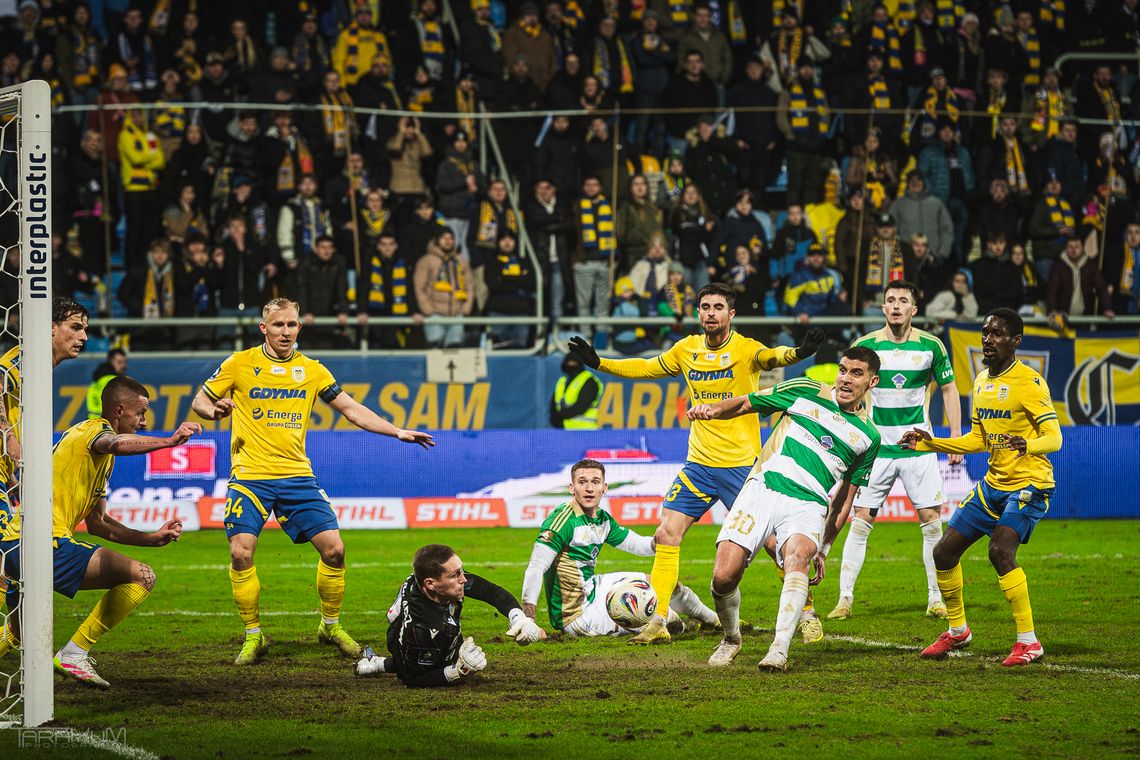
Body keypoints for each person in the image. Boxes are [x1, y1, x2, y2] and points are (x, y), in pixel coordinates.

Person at [567, 283, 825, 644]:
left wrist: (799, 352)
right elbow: (645, 368)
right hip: (699, 465)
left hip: (742, 468)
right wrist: (599, 363)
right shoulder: (686, 349)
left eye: (718, 307)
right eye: (705, 307)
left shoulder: (746, 349)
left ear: (731, 314)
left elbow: (773, 357)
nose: (710, 313)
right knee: (666, 533)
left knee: (773, 544)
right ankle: (656, 622)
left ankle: (807, 613)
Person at [190, 298, 435, 666]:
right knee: (241, 552)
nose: (285, 332)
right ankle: (254, 635)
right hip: (251, 477)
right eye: (278, 325)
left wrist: (396, 431)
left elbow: (351, 409)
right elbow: (200, 402)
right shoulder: (238, 363)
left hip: (297, 476)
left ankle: (330, 626)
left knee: (335, 550)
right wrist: (215, 410)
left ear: (299, 327)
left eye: (291, 325)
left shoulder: (313, 371)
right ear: (264, 328)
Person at [690, 347, 883, 671]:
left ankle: (779, 648)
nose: (846, 379)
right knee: (723, 577)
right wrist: (713, 410)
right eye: (843, 369)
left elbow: (845, 498)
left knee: (799, 559)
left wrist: (823, 547)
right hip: (762, 489)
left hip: (808, 503)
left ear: (872, 381)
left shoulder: (868, 437)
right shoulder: (805, 390)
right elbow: (747, 402)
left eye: (856, 373)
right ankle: (731, 638)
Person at [0, 376, 201, 684]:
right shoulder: (94, 431)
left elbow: (99, 524)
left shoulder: (99, 459)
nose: (144, 422)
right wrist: (170, 442)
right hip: (41, 542)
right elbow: (116, 443)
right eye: (141, 413)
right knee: (142, 576)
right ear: (119, 411)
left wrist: (152, 538)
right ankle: (74, 653)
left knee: (15, 632)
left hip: (15, 543)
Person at [901, 309, 1061, 667]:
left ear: (1016, 341)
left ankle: (1028, 641)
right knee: (943, 554)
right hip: (993, 485)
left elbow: (1054, 437)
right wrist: (931, 444)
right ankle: (958, 631)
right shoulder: (980, 381)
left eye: (998, 333)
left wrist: (1027, 445)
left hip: (1030, 484)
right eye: (985, 332)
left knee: (1000, 550)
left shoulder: (1030, 383)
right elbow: (978, 439)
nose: (988, 339)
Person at [827, 280, 963, 622]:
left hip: (918, 448)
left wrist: (956, 436)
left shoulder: (931, 346)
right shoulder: (866, 345)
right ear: (883, 308)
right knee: (861, 521)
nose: (897, 305)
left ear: (914, 310)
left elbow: (949, 389)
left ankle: (936, 598)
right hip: (876, 450)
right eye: (891, 300)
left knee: (932, 522)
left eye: (904, 300)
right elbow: (845, 392)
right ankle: (844, 599)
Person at [520, 459, 718, 636]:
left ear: (604, 487)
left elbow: (639, 546)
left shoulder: (602, 520)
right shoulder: (562, 520)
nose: (589, 488)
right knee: (661, 616)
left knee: (663, 583)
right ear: (572, 488)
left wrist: (659, 539)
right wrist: (529, 621)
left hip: (594, 588)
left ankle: (714, 620)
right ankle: (681, 627)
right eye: (582, 482)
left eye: (595, 482)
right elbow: (536, 568)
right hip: (577, 615)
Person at [0, 297, 90, 602]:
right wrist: (9, 439)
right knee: (11, 559)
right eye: (75, 327)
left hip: (3, 477)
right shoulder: (27, 358)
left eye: (85, 329)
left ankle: (13, 639)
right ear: (51, 328)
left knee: (12, 567)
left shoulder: (40, 369)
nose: (84, 337)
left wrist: (13, 477)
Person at [353, 544, 543, 687]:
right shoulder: (422, 630)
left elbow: (490, 591)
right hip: (408, 640)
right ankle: (381, 664)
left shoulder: (437, 583)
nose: (464, 579)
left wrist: (519, 618)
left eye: (461, 571)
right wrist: (457, 671)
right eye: (455, 575)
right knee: (441, 655)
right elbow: (411, 679)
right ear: (430, 584)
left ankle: (377, 664)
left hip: (423, 625)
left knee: (449, 642)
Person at [550, 353, 603, 430]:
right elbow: (553, 405)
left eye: (574, 362)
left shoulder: (589, 381)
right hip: (563, 432)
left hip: (585, 432)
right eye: (569, 362)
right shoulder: (562, 382)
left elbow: (581, 406)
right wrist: (555, 420)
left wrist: (559, 416)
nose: (571, 365)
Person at [86, 348, 128, 419]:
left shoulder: (97, 380)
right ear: (110, 362)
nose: (123, 365)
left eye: (125, 362)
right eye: (119, 362)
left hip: (92, 421)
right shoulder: (116, 381)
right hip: (108, 423)